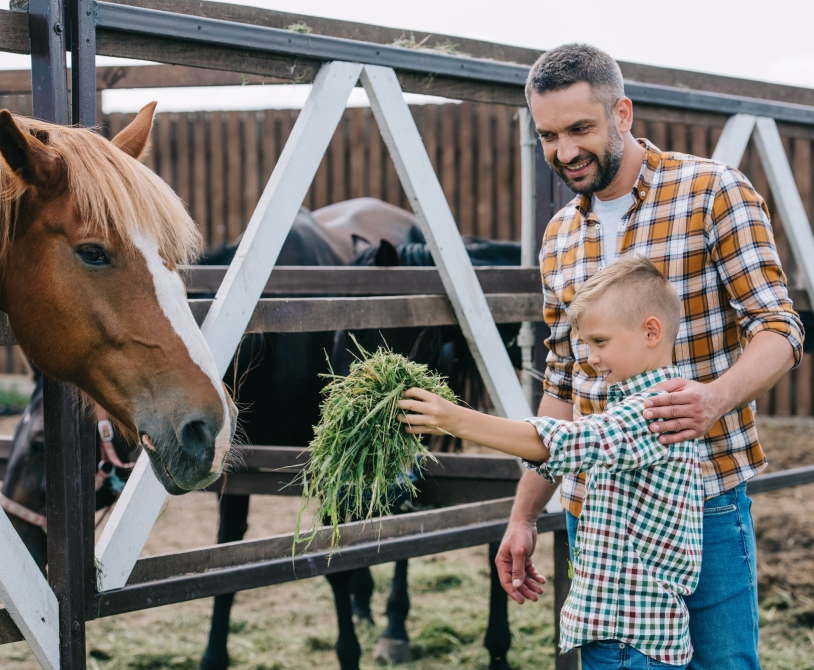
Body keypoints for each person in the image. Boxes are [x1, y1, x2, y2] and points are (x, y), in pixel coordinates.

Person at [492, 43, 803, 669]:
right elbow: (562, 385)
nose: (566, 152)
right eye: (549, 135)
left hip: (706, 500)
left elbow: (779, 328)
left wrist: (713, 399)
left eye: (581, 128)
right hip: (601, 517)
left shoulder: (712, 192)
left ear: (622, 114)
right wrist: (523, 515)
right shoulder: (560, 238)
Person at [399, 255, 703, 668]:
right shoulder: (639, 406)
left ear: (651, 331)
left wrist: (455, 419)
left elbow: (567, 442)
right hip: (621, 636)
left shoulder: (657, 412)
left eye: (600, 342)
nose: (591, 358)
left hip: (632, 645)